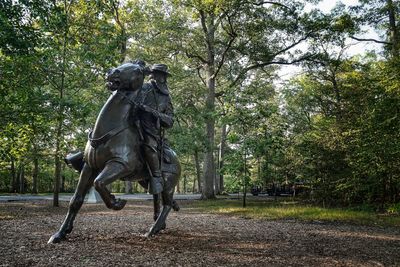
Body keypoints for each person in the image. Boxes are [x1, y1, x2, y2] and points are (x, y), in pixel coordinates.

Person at [139, 64, 174, 194]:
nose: (156, 77)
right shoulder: (143, 88)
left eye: (161, 75)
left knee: (149, 146)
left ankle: (157, 177)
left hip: (150, 129)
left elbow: (170, 121)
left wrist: (153, 112)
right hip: (132, 121)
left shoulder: (166, 98)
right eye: (155, 74)